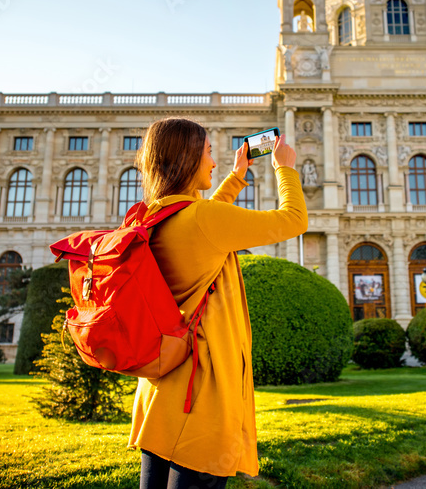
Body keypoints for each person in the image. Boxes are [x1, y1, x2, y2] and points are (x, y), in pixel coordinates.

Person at [128, 117, 307, 489]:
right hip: (202, 398)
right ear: (190, 158)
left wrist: (238, 176)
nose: (212, 162)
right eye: (208, 153)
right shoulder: (205, 219)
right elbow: (294, 219)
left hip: (162, 395)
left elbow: (205, 221)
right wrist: (285, 169)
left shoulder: (157, 215)